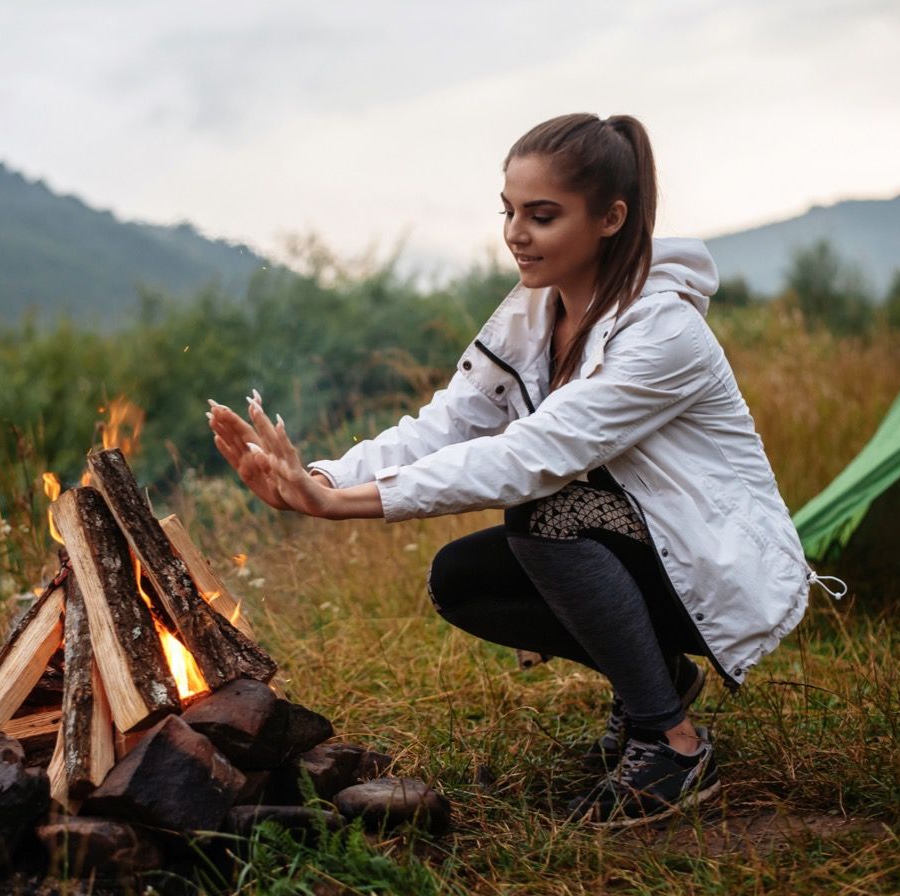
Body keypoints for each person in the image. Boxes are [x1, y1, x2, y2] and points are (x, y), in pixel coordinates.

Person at [206, 112, 845, 827]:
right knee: (463, 580)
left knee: (543, 513)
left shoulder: (665, 330)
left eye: (542, 216)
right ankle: (659, 682)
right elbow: (449, 423)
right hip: (645, 547)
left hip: (711, 564)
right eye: (509, 211)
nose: (516, 232)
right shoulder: (535, 313)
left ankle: (673, 746)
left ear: (611, 218)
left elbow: (532, 457)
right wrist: (320, 478)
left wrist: (344, 504)